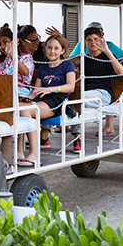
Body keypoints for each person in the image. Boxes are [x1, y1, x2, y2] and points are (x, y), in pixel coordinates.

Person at [23, 35, 77, 163]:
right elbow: (36, 91)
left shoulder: (67, 65)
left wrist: (51, 89)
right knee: (19, 107)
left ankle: (34, 154)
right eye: (49, 48)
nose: (52, 51)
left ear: (62, 51)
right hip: (42, 98)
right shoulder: (43, 69)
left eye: (56, 48)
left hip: (58, 100)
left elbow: (71, 87)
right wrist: (24, 98)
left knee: (26, 111)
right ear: (45, 49)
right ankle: (19, 152)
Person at [78, 26, 123, 138]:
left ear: (101, 40)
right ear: (85, 42)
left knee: (78, 98)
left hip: (103, 94)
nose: (93, 42)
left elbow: (121, 72)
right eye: (89, 40)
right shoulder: (84, 59)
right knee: (71, 97)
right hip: (87, 93)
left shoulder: (107, 56)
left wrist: (107, 51)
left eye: (96, 39)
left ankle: (75, 131)